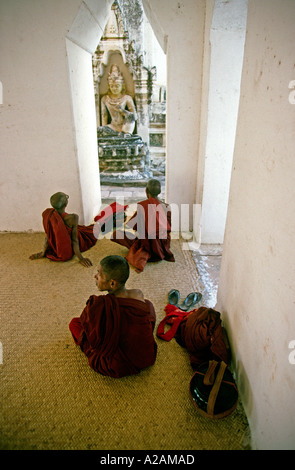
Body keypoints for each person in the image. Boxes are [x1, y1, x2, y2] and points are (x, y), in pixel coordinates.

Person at [69, 255, 157, 378]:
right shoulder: (138, 293)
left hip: (118, 363)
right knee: (148, 305)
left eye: (99, 274)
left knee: (74, 324)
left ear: (112, 283)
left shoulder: (98, 305)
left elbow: (91, 331)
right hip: (146, 356)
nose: (95, 276)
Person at [112, 179, 175, 273]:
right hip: (163, 246)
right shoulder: (167, 207)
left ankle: (144, 253)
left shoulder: (142, 206)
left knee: (117, 234)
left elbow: (133, 226)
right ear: (160, 192)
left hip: (147, 245)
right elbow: (168, 228)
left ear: (146, 191)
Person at [29, 192, 97, 267]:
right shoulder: (73, 218)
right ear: (66, 204)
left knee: (84, 228)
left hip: (57, 242)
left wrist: (43, 252)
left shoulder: (47, 213)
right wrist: (81, 258)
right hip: (74, 240)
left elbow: (48, 235)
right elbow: (74, 240)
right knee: (92, 231)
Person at [97, 64, 137, 136]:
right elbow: (104, 116)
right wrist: (104, 132)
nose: (114, 88)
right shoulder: (105, 99)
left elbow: (134, 116)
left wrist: (122, 110)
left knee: (130, 116)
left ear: (122, 86)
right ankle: (119, 135)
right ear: (109, 86)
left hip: (125, 126)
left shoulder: (127, 98)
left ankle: (125, 134)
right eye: (112, 86)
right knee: (99, 130)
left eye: (117, 86)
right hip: (112, 127)